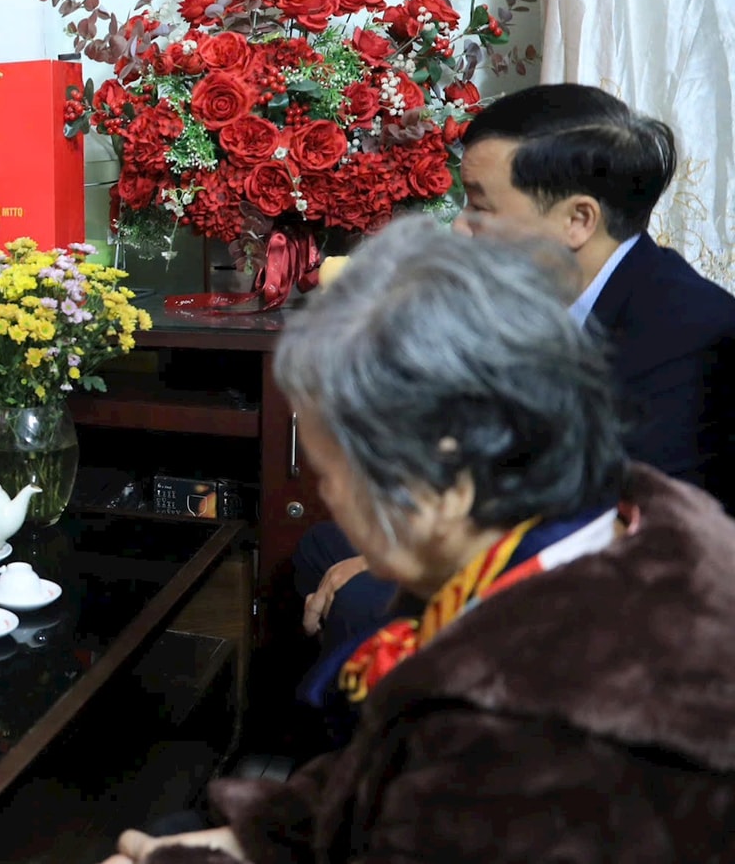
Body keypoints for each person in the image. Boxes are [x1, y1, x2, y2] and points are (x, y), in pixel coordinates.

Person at [105, 217, 735, 863]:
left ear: (444, 472)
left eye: (332, 472)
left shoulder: (543, 722)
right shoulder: (611, 522)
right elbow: (378, 785)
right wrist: (245, 833)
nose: (331, 500)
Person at [299, 84, 735, 665]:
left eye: (480, 207)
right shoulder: (554, 298)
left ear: (577, 219)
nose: (461, 228)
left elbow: (617, 522)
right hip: (550, 534)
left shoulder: (685, 330)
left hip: (633, 589)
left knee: (362, 599)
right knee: (322, 547)